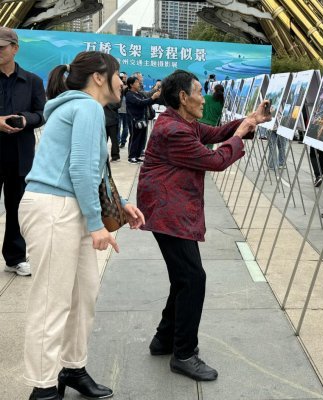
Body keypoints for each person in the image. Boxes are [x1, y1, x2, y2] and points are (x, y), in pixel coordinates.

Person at [18, 51, 145, 400]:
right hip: (54, 209)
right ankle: (43, 389)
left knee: (82, 296)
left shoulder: (84, 108)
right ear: (100, 77)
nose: (124, 81)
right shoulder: (86, 107)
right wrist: (96, 225)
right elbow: (80, 170)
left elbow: (94, 172)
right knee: (52, 301)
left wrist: (119, 208)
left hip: (67, 208)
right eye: (119, 74)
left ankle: (72, 368)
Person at [136, 70, 271, 382]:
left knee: (184, 278)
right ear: (183, 98)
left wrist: (249, 120)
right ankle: (183, 353)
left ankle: (164, 340)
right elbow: (216, 161)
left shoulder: (182, 122)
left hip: (171, 209)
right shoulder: (174, 130)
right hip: (168, 212)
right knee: (193, 279)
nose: (203, 97)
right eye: (199, 91)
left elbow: (215, 134)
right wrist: (240, 134)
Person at [0, 27, 46, 277]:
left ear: (15, 48)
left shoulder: (32, 81)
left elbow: (42, 114)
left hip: (20, 155)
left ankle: (15, 257)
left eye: (2, 47)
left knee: (16, 207)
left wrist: (25, 119)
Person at [125, 76, 160, 163]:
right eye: (137, 82)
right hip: (134, 120)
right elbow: (140, 103)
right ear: (131, 84)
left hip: (142, 119)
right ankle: (131, 156)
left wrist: (155, 98)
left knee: (141, 138)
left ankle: (137, 155)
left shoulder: (138, 93)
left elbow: (147, 102)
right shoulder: (130, 95)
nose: (139, 83)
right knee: (135, 138)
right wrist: (153, 97)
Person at [199, 83, 224, 149]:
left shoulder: (206, 97)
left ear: (214, 90)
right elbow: (219, 115)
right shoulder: (221, 102)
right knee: (209, 148)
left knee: (198, 144)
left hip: (201, 124)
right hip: (212, 127)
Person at [118, 72, 130, 148]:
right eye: (122, 77)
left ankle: (123, 142)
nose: (124, 79)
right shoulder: (118, 86)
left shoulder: (129, 87)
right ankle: (117, 141)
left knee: (126, 127)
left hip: (127, 110)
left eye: (125, 77)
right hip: (118, 109)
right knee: (118, 127)